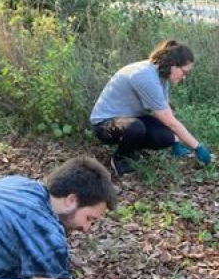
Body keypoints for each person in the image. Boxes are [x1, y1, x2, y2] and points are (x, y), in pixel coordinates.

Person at [90, 39, 212, 176]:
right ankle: (121, 158)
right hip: (104, 123)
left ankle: (132, 148)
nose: (184, 78)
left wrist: (175, 142)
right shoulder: (146, 77)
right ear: (173, 66)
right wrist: (198, 147)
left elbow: (166, 111)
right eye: (184, 72)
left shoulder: (161, 75)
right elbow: (171, 122)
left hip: (131, 117)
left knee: (166, 137)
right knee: (135, 128)